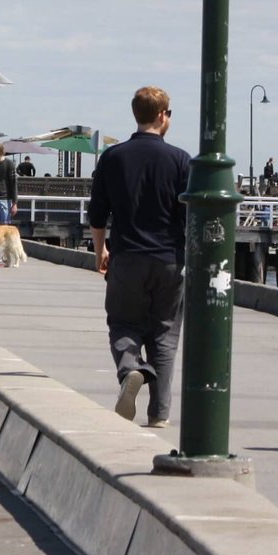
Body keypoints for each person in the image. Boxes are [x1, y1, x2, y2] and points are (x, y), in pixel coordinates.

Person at [88, 86, 192, 429]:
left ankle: (131, 369)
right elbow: (190, 216)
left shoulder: (113, 157)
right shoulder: (180, 159)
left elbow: (98, 213)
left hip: (127, 255)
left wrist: (101, 249)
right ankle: (159, 413)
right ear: (162, 115)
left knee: (122, 323)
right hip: (169, 258)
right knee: (164, 334)